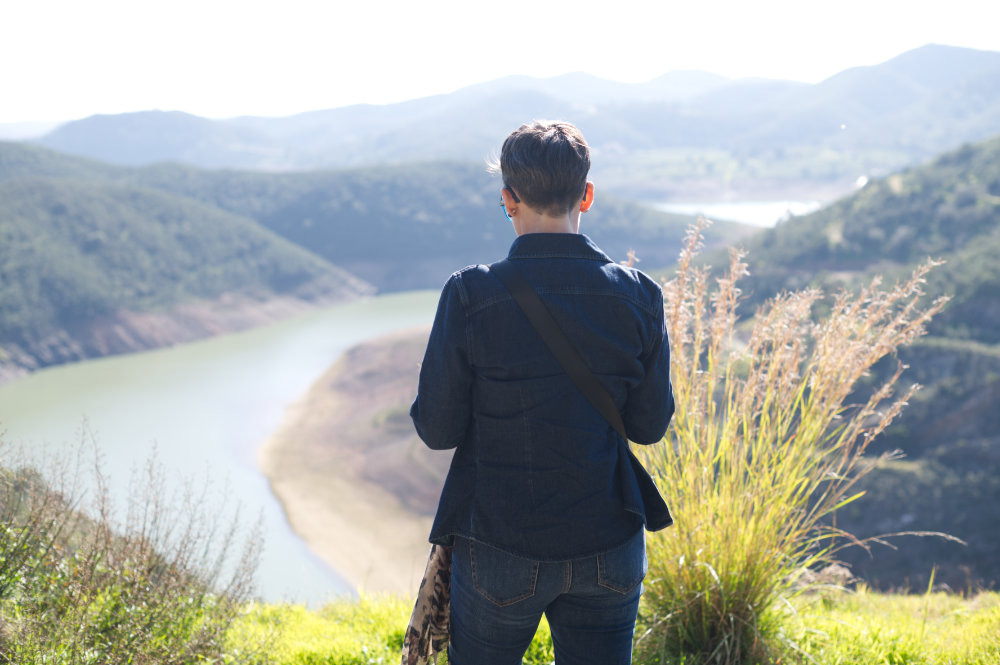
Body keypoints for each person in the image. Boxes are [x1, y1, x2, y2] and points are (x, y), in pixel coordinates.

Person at [409, 120, 674, 664]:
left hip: (501, 544)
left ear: (508, 199)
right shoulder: (640, 295)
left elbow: (437, 430)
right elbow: (649, 427)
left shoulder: (469, 295)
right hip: (609, 539)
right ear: (587, 195)